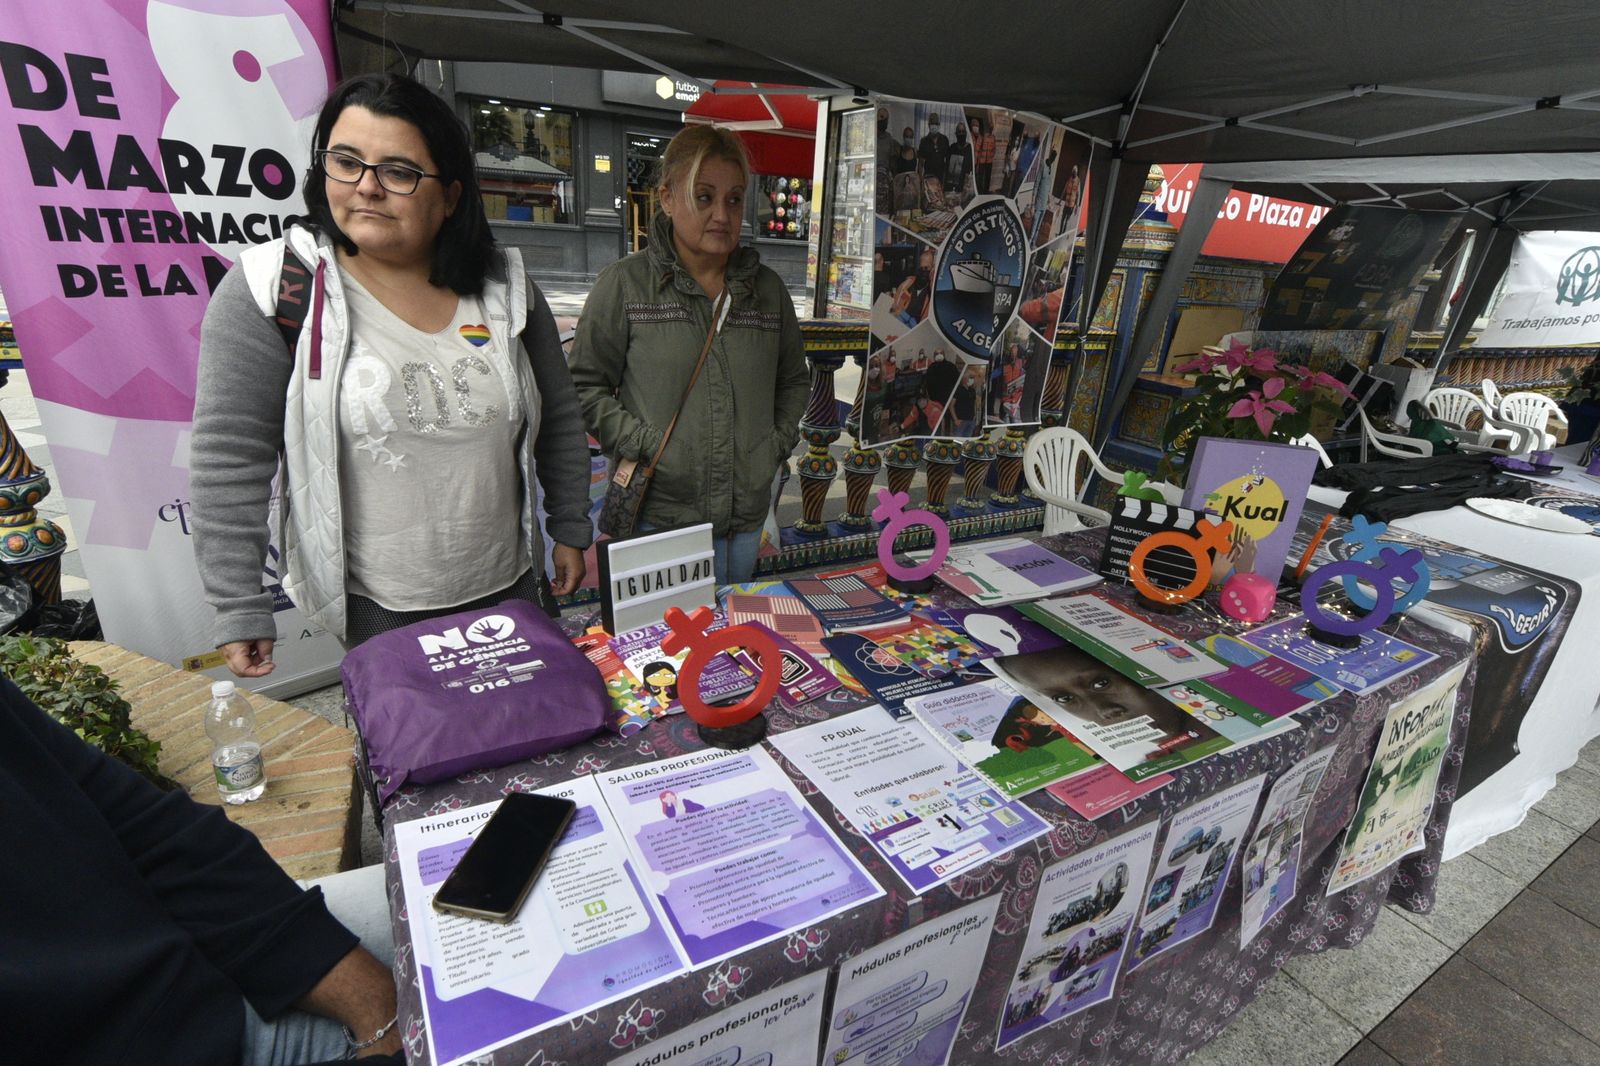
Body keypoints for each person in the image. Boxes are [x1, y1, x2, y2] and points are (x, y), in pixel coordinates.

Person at [191, 73, 593, 674]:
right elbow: (230, 455)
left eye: (399, 172)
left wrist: (568, 523)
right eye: (346, 162)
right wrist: (238, 601)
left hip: (510, 584)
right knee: (414, 752)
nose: (367, 188)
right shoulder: (273, 288)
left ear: (451, 195)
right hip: (378, 605)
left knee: (523, 736)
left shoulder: (505, 288)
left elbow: (558, 417)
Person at [1, 677, 401, 1064]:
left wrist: (375, 1004)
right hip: (165, 1041)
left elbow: (150, 831)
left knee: (445, 898)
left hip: (202, 978)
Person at [570, 124, 809, 584]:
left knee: (737, 640)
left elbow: (794, 379)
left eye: (734, 199)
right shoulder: (626, 285)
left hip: (746, 517)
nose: (721, 213)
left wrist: (773, 445)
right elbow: (584, 384)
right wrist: (641, 443)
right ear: (667, 198)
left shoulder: (767, 292)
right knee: (668, 647)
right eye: (704, 197)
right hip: (661, 517)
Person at [916, 114, 950, 192]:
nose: (933, 126)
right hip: (928, 178)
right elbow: (920, 164)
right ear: (928, 125)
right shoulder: (924, 141)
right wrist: (921, 182)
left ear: (939, 125)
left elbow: (947, 162)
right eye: (931, 124)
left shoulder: (944, 140)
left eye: (935, 123)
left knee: (939, 202)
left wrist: (945, 182)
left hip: (941, 179)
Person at [972, 117, 996, 194]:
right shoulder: (983, 137)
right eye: (990, 127)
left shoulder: (993, 138)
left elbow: (994, 149)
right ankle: (980, 191)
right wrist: (978, 160)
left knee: (987, 178)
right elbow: (978, 149)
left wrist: (992, 156)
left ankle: (986, 192)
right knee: (980, 177)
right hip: (981, 161)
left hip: (989, 161)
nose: (991, 129)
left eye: (992, 127)